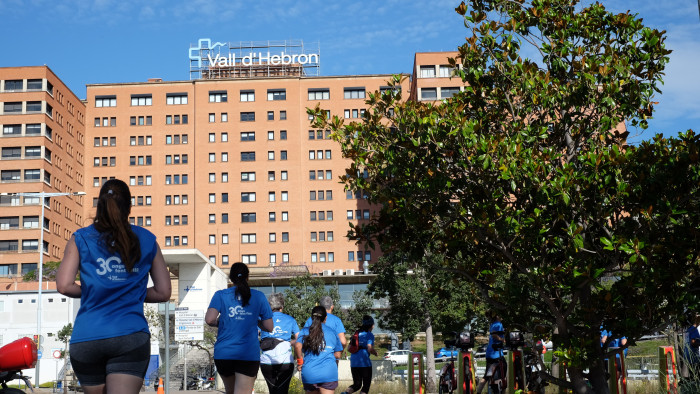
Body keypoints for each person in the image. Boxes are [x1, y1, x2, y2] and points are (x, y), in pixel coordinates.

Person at [56, 179, 172, 394]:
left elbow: (64, 286)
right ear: (129, 207)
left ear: (99, 205)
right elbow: (164, 292)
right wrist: (129, 294)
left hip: (87, 336)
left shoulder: (80, 238)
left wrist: (97, 290)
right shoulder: (147, 239)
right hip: (130, 335)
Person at [206, 263, 274, 394]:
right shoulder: (259, 296)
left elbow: (209, 320)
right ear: (247, 278)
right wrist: (255, 320)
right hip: (247, 355)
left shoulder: (220, 295)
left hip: (224, 354)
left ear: (231, 278)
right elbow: (269, 327)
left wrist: (220, 322)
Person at [295, 306, 343, 394]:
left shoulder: (305, 331)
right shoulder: (332, 332)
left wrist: (300, 362)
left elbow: (297, 346)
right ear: (325, 318)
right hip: (329, 374)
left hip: (310, 373)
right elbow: (338, 355)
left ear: (312, 317)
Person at [260, 293, 300, 394]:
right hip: (285, 362)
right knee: (283, 390)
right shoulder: (291, 320)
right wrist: (290, 343)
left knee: (272, 391)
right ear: (282, 306)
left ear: (269, 306)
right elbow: (299, 340)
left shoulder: (262, 319)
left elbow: (252, 335)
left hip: (266, 362)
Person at [341, 316, 378, 394]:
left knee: (357, 384)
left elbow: (348, 348)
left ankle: (346, 393)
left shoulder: (356, 333)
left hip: (354, 362)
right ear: (371, 325)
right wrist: (375, 353)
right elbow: (369, 348)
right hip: (364, 363)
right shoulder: (369, 335)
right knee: (366, 386)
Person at [476, 315, 506, 394]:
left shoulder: (492, 324)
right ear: (497, 316)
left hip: (489, 352)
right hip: (496, 353)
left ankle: (478, 391)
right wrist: (504, 340)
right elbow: (494, 335)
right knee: (504, 370)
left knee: (486, 375)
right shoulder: (498, 324)